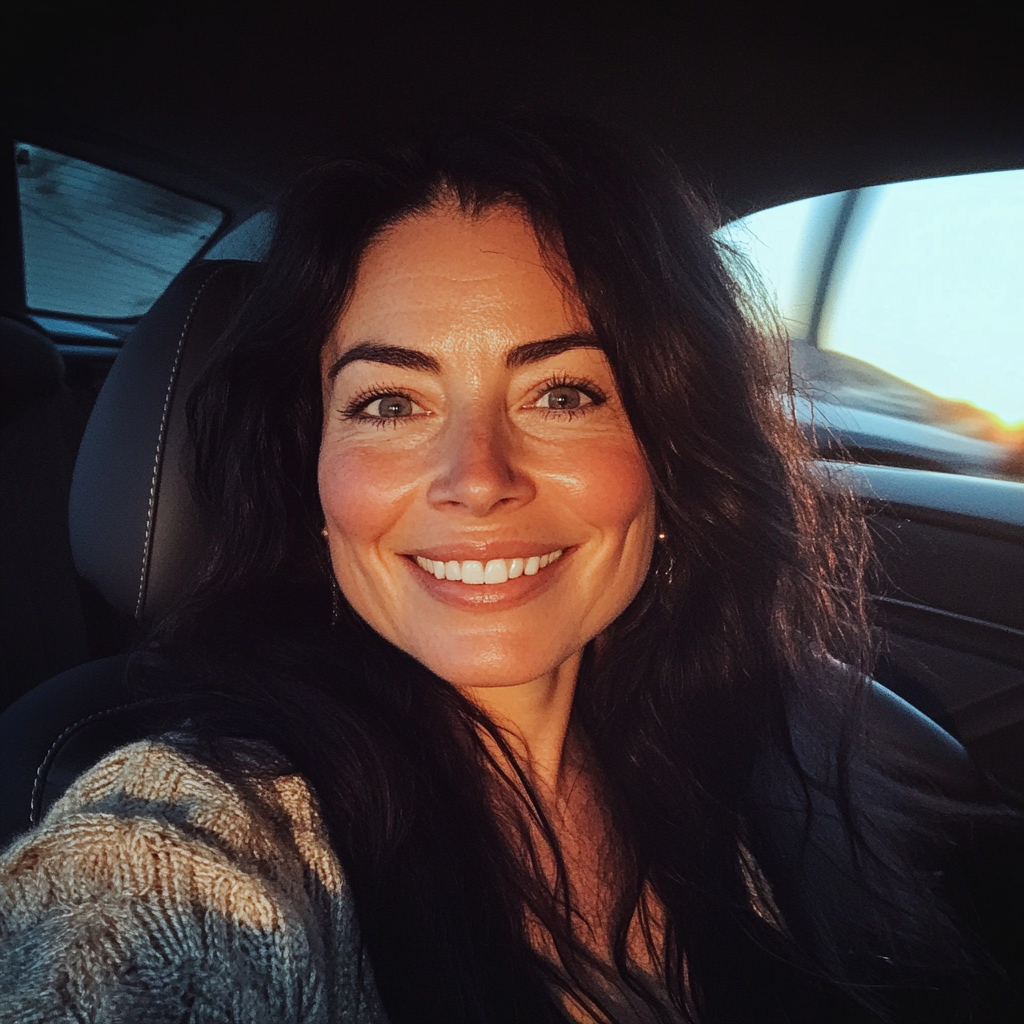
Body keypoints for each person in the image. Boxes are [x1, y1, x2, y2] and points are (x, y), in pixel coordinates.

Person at [0, 116, 1013, 1023]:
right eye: (389, 404)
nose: (475, 479)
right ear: (312, 476)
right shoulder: (189, 852)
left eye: (563, 393)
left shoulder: (756, 745)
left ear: (670, 454)